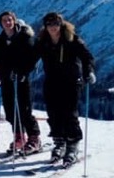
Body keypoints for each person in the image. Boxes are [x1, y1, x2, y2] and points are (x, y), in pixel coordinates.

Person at [35, 12, 96, 164]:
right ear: (46, 26)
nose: (53, 27)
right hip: (52, 82)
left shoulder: (72, 40)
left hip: (71, 82)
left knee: (69, 114)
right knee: (54, 113)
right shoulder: (44, 42)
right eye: (49, 24)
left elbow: (86, 57)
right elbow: (31, 57)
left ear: (61, 24)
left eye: (55, 24)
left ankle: (72, 144)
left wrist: (88, 71)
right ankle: (59, 142)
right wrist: (20, 69)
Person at [0, 11, 41, 154]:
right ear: (1, 23)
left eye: (10, 19)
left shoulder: (25, 37)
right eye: (4, 20)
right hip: (6, 78)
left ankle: (34, 137)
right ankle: (19, 136)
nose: (7, 22)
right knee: (10, 110)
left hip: (21, 78)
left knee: (24, 109)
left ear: (14, 21)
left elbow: (34, 56)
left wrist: (23, 71)